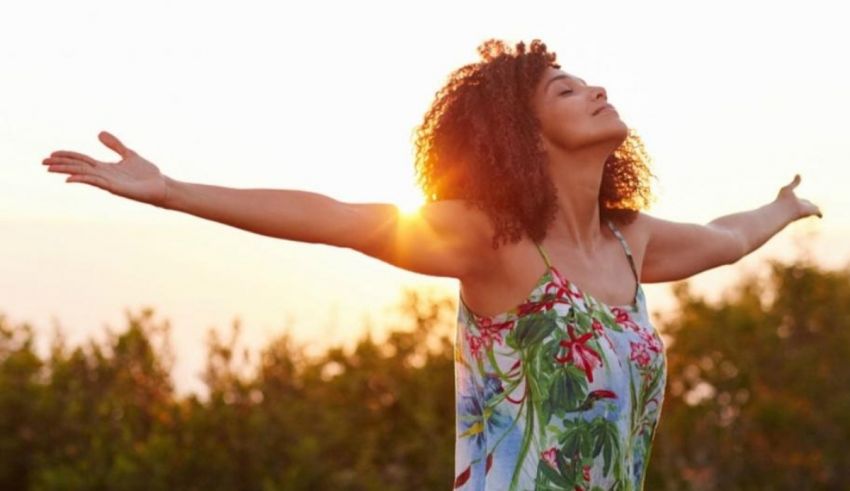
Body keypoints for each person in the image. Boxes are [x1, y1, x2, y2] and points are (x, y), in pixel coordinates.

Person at [41, 38, 822, 491]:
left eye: (588, 82)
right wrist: (172, 190)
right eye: (566, 88)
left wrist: (781, 210)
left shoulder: (630, 241)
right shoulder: (492, 241)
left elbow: (726, 236)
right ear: (522, 134)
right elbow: (344, 221)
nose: (596, 89)